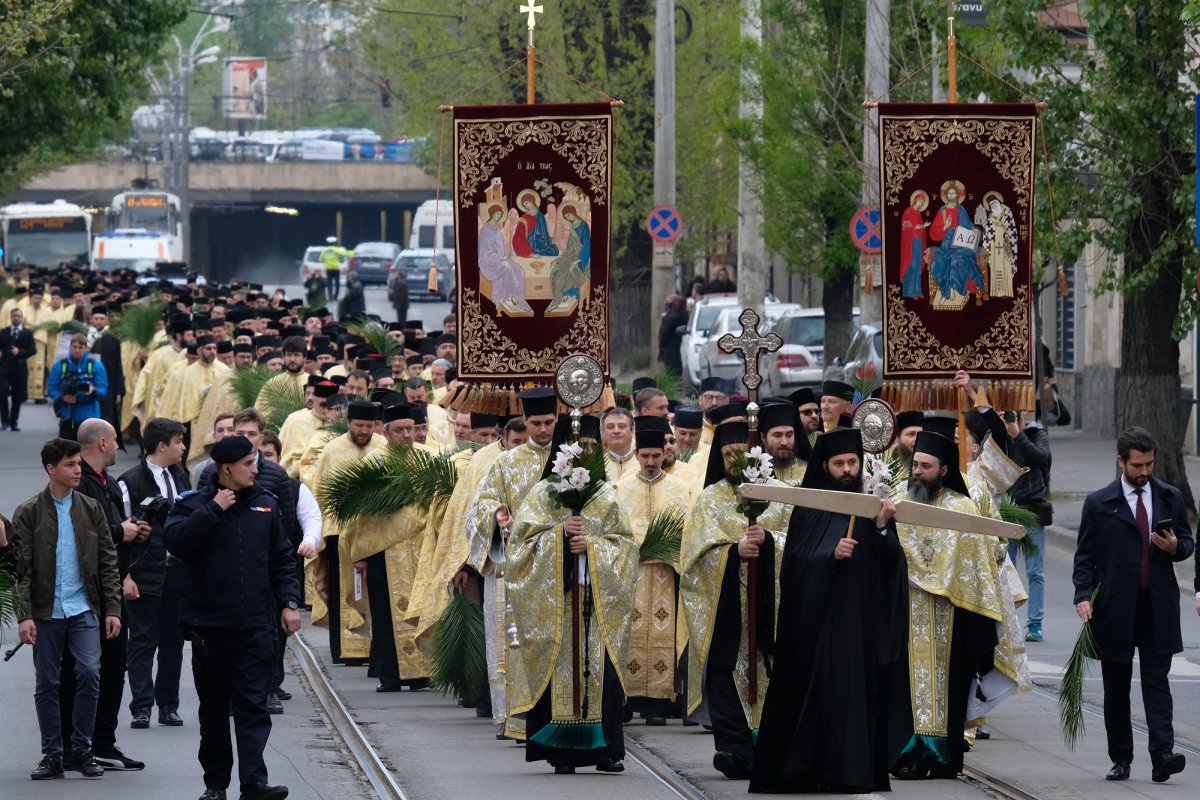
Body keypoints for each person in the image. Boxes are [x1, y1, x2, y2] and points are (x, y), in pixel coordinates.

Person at [750, 428, 909, 794]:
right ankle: (804, 769)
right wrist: (828, 556)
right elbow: (795, 565)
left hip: (856, 624)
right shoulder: (810, 507)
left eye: (852, 462)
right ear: (825, 465)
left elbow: (891, 568)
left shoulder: (872, 507)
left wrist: (883, 530)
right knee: (812, 698)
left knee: (853, 697)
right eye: (839, 463)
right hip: (815, 628)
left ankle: (848, 772)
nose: (847, 469)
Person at [164, 435, 301, 800]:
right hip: (209, 628)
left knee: (254, 707)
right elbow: (176, 542)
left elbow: (282, 559)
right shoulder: (192, 504)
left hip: (256, 626)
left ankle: (254, 782)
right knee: (213, 712)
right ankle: (216, 784)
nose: (255, 470)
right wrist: (214, 509)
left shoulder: (266, 505)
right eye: (247, 464)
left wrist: (289, 602)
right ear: (227, 469)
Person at [506, 416, 638, 774]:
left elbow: (626, 547)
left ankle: (607, 750)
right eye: (578, 447)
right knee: (558, 674)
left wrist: (592, 547)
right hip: (557, 606)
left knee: (603, 674)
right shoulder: (543, 494)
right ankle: (562, 753)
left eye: (592, 447)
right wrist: (559, 536)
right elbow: (520, 549)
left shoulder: (606, 495)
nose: (585, 453)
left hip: (598, 606)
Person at [1073, 427, 1193, 784]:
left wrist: (1175, 549)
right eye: (1137, 465)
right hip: (1114, 607)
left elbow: (1187, 542)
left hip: (1157, 606)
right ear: (1121, 462)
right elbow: (1085, 556)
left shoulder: (1169, 496)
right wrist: (1082, 595)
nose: (1144, 472)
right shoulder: (1099, 503)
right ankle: (1121, 758)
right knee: (1117, 687)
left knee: (1157, 682)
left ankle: (1162, 755)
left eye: (1149, 464)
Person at [680, 422, 792, 780]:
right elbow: (694, 556)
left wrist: (771, 542)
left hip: (773, 607)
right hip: (727, 609)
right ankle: (735, 748)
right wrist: (732, 552)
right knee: (725, 670)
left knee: (776, 671)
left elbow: (801, 544)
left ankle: (774, 746)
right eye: (727, 455)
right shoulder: (710, 499)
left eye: (740, 453)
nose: (734, 461)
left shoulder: (783, 494)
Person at [890, 431, 1005, 780]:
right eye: (916, 465)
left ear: (944, 470)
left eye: (927, 466)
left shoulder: (964, 508)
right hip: (906, 612)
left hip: (950, 615)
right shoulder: (897, 502)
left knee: (948, 688)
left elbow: (980, 562)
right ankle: (907, 756)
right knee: (903, 687)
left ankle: (942, 758)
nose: (919, 472)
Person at [12, 438, 122, 781]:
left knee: (90, 672)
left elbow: (107, 561)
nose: (78, 470)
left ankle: (82, 749)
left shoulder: (90, 507)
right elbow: (20, 569)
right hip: (45, 612)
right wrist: (25, 615)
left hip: (83, 609)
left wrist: (113, 609)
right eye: (70, 465)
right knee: (47, 682)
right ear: (51, 469)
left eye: (78, 463)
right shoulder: (29, 512)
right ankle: (52, 754)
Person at [466, 387, 559, 737]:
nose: (543, 429)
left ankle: (553, 715)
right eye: (536, 423)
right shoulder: (505, 463)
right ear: (526, 422)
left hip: (556, 566)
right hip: (513, 566)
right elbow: (481, 506)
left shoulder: (570, 460)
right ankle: (511, 717)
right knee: (511, 642)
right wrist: (496, 515)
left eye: (549, 421)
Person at [62, 419, 149, 771]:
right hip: (86, 592)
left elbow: (113, 532)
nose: (118, 447)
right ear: (101, 444)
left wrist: (134, 531)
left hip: (112, 586)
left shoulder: (107, 481)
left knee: (113, 666)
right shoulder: (77, 482)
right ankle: (73, 744)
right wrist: (120, 530)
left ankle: (103, 742)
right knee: (80, 669)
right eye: (114, 441)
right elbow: (80, 532)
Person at [614, 424, 691, 726]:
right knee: (628, 635)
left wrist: (666, 552)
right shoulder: (621, 488)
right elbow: (614, 530)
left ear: (664, 454)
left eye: (655, 456)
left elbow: (686, 532)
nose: (649, 462)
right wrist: (633, 548)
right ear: (636, 454)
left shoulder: (678, 489)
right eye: (644, 456)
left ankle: (658, 703)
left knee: (664, 635)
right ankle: (627, 700)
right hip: (630, 574)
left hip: (664, 575)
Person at [117, 418, 191, 729]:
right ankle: (141, 706)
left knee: (173, 642)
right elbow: (120, 535)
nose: (184, 447)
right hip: (143, 571)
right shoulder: (129, 481)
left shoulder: (181, 477)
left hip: (177, 572)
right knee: (142, 641)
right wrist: (125, 576)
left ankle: (168, 704)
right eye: (178, 442)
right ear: (162, 446)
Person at [1001, 409, 1051, 641]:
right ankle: (1006, 622)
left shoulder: (1035, 432)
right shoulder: (995, 433)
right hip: (1006, 509)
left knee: (1035, 572)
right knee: (1003, 570)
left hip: (1032, 509)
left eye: (1012, 414)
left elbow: (1041, 459)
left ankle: (1034, 625)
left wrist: (1018, 434)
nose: (1009, 418)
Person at [48, 334, 109, 440]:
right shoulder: (60, 366)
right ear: (70, 347)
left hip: (90, 416)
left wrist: (93, 390)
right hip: (67, 414)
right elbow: (51, 389)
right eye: (74, 347)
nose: (77, 350)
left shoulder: (96, 366)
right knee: (67, 452)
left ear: (86, 349)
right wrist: (63, 398)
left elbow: (103, 391)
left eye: (80, 347)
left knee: (89, 452)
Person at [0, 306, 37, 431]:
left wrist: (20, 352)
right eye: (14, 316)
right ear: (10, 317)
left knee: (17, 398)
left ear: (22, 318)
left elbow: (33, 350)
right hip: (3, 370)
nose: (16, 318)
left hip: (19, 370)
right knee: (2, 393)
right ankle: (4, 421)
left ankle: (13, 422)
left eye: (18, 316)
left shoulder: (27, 333)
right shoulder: (4, 332)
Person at [658, 294, 687, 376]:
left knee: (671, 373)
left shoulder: (669, 318)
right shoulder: (685, 317)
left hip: (670, 351)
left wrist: (661, 347)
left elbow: (664, 334)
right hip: (682, 348)